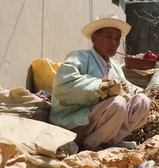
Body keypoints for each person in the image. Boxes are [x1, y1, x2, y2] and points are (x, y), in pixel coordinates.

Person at [49, 14, 151, 151]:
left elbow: (128, 92)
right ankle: (90, 145)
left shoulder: (115, 67)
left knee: (143, 101)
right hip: (74, 123)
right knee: (118, 103)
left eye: (117, 39)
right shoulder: (79, 57)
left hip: (100, 120)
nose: (114, 43)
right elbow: (63, 84)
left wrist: (127, 89)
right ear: (94, 38)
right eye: (109, 37)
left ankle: (109, 141)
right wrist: (100, 85)